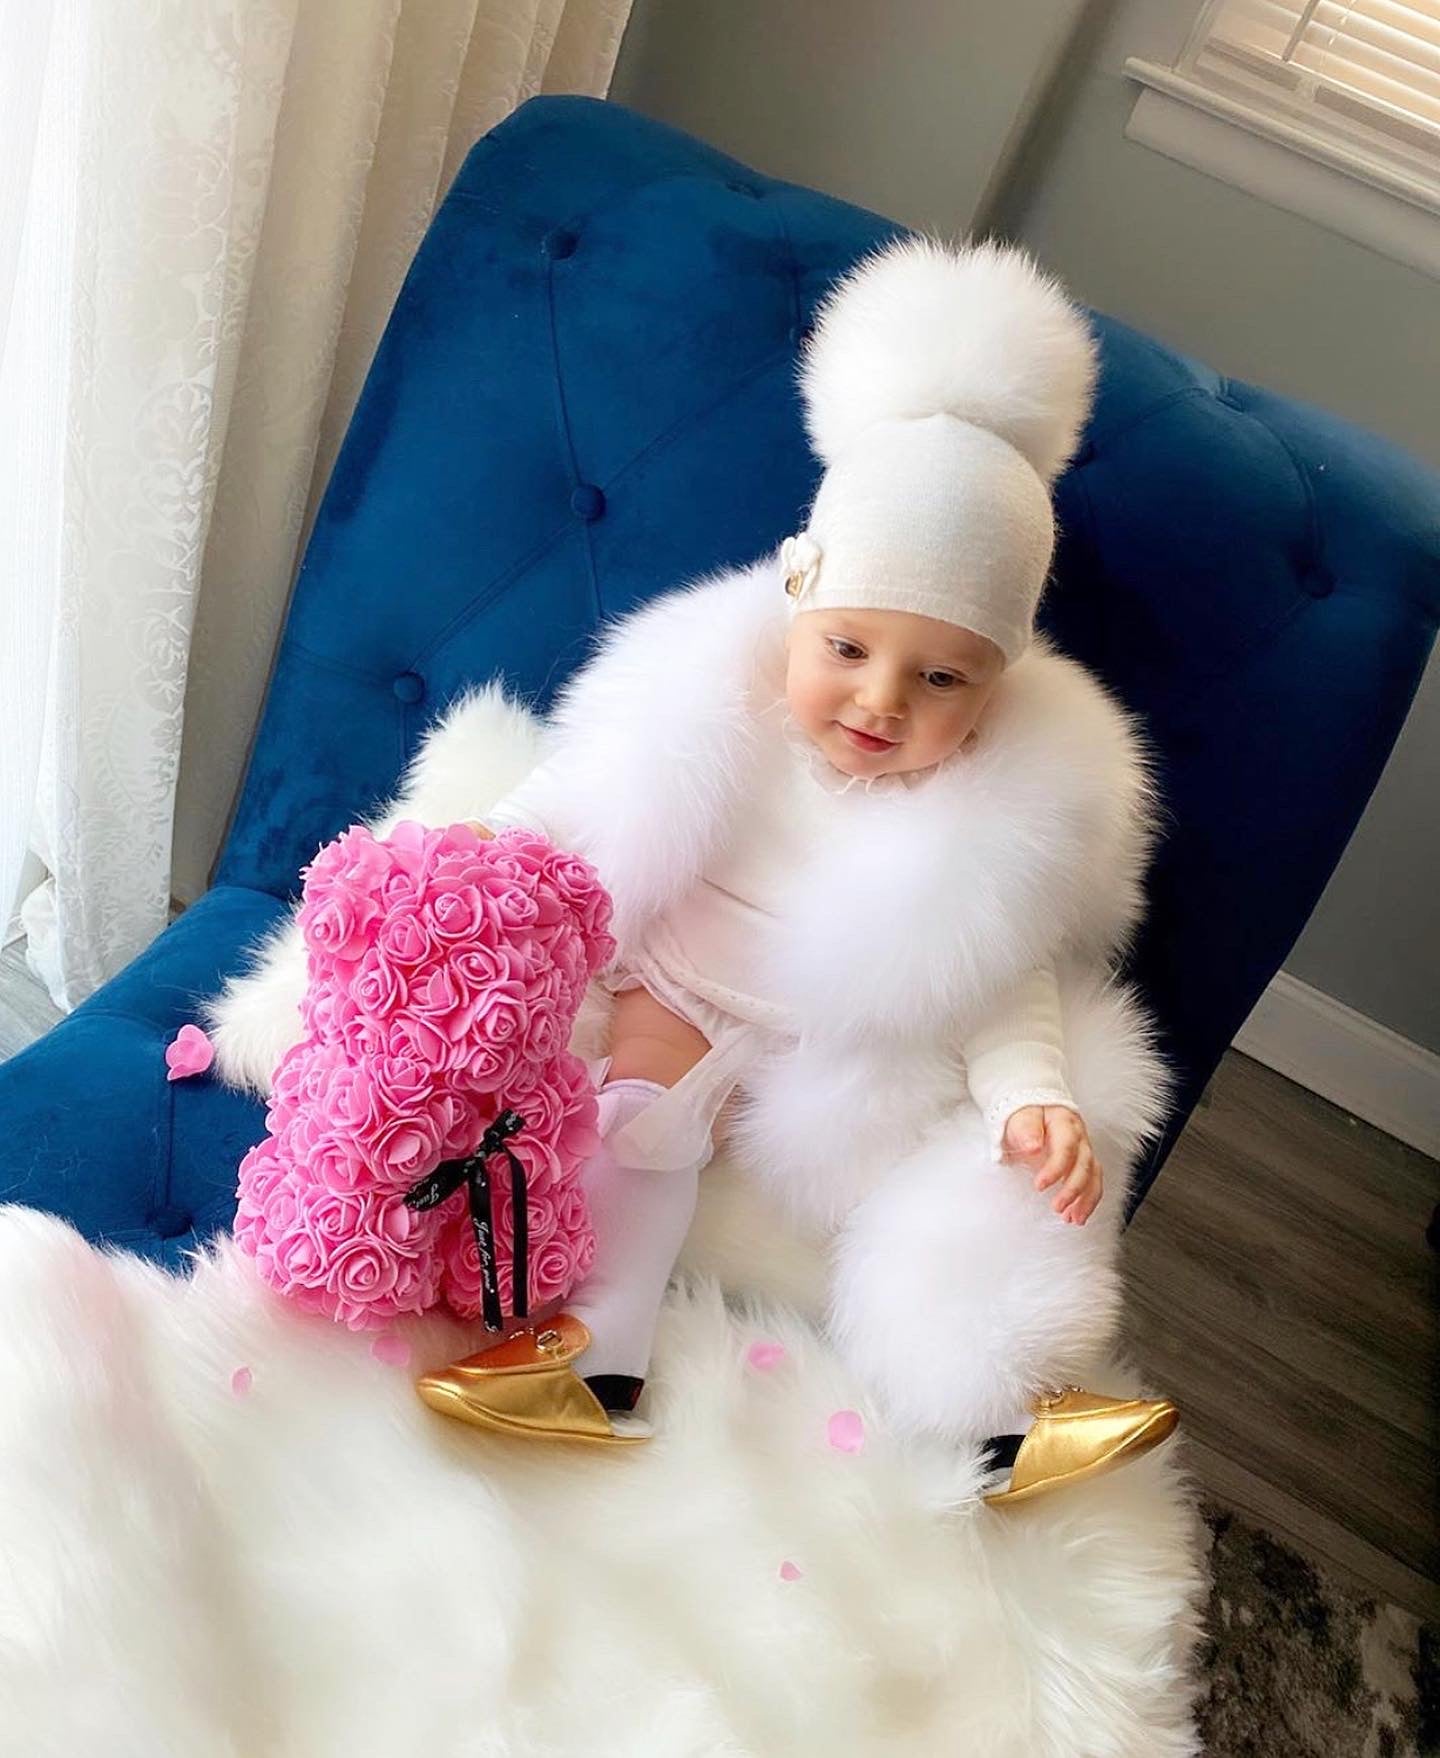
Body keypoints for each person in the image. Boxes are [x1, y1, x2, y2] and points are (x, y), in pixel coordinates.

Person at [417, 234, 1179, 1506]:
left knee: (998, 1183)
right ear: (798, 605)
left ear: (995, 688)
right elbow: (591, 792)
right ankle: (596, 1362)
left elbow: (999, 976)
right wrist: (484, 844)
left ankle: (1007, 1416)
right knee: (636, 1121)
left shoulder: (978, 812)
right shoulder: (721, 704)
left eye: (942, 678)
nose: (882, 703)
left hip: (845, 1038)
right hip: (681, 981)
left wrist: (1028, 1099)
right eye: (849, 650)